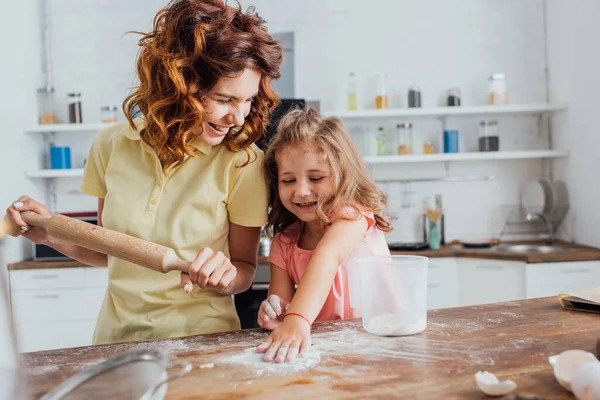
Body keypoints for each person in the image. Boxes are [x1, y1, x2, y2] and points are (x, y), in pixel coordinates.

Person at [3, 0, 282, 344]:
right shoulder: (110, 146)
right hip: (116, 339)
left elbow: (244, 268)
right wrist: (48, 234)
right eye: (225, 100)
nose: (238, 118)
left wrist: (226, 275)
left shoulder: (242, 162)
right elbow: (110, 251)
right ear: (179, 85)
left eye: (248, 100)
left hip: (201, 341)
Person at [255, 108, 392, 363]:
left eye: (315, 178)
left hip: (385, 345)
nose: (301, 191)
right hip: (327, 354)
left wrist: (297, 319)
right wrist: (275, 313)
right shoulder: (284, 242)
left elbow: (327, 256)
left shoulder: (353, 216)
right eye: (288, 180)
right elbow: (282, 309)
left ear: (342, 175)